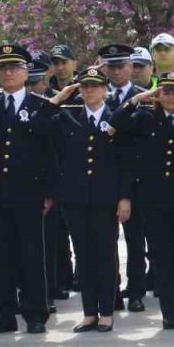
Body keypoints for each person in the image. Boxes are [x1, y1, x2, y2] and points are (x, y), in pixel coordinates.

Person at [0, 44, 56, 335]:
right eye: (2, 68)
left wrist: (49, 192)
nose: (8, 73)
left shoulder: (39, 106)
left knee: (31, 253)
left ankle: (36, 314)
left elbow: (49, 154)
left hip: (28, 193)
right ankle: (3, 316)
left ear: (26, 72)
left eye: (14, 68)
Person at [113, 71, 174, 330]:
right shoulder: (145, 119)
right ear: (158, 94)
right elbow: (115, 123)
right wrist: (138, 98)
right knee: (162, 258)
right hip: (154, 202)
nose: (171, 97)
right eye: (165, 91)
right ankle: (168, 312)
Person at [48, 68, 126, 332]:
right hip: (75, 199)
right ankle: (89, 312)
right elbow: (38, 124)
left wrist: (124, 197)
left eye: (94, 86)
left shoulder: (116, 117)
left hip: (106, 198)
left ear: (105, 89)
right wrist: (60, 96)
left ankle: (106, 311)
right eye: (84, 86)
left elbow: (125, 162)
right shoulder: (68, 117)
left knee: (105, 254)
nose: (89, 90)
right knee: (84, 256)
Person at [99, 43, 150, 312]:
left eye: (121, 66)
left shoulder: (145, 96)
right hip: (104, 175)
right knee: (106, 242)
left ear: (131, 67)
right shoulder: (98, 95)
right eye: (111, 67)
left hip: (135, 176)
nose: (116, 71)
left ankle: (137, 290)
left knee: (135, 239)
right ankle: (112, 291)